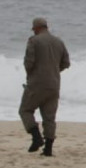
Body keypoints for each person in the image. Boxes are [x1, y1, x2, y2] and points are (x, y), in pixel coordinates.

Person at [18, 16, 70, 157]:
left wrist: (31, 75)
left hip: (36, 83)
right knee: (49, 117)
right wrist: (54, 71)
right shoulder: (59, 42)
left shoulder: (34, 41)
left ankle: (36, 137)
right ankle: (48, 149)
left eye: (34, 29)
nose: (33, 31)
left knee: (25, 110)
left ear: (37, 28)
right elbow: (66, 63)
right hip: (54, 84)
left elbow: (29, 62)